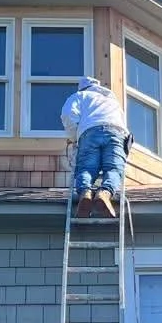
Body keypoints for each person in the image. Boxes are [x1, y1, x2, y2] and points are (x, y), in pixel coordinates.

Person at [60, 76, 130, 219]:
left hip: (90, 132)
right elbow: (123, 124)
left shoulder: (80, 95)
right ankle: (104, 193)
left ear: (82, 88)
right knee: (113, 168)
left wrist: (75, 136)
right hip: (116, 132)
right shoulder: (112, 101)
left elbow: (68, 115)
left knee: (86, 168)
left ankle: (85, 193)